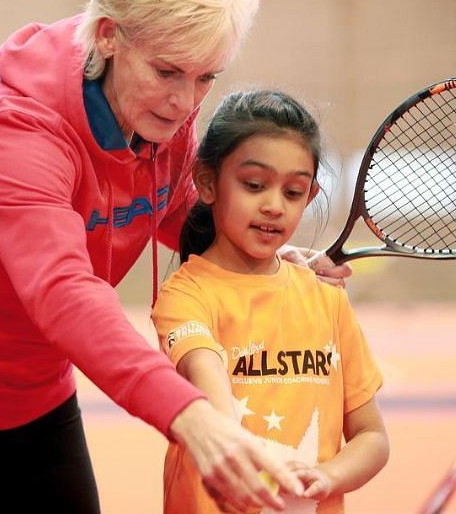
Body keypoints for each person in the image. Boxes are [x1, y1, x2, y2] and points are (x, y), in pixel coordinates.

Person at [0, 0, 350, 514]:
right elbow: (63, 290)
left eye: (206, 78)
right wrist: (191, 415)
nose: (185, 102)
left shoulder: (161, 122)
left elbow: (174, 215)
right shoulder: (16, 132)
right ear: (109, 36)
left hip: (34, 395)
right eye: (168, 72)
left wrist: (265, 254)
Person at [152, 89, 388, 513]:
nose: (274, 206)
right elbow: (210, 390)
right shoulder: (186, 296)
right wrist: (255, 462)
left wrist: (328, 476)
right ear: (206, 182)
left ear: (311, 196)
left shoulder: (326, 298)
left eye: (293, 192)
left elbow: (372, 436)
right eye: (254, 185)